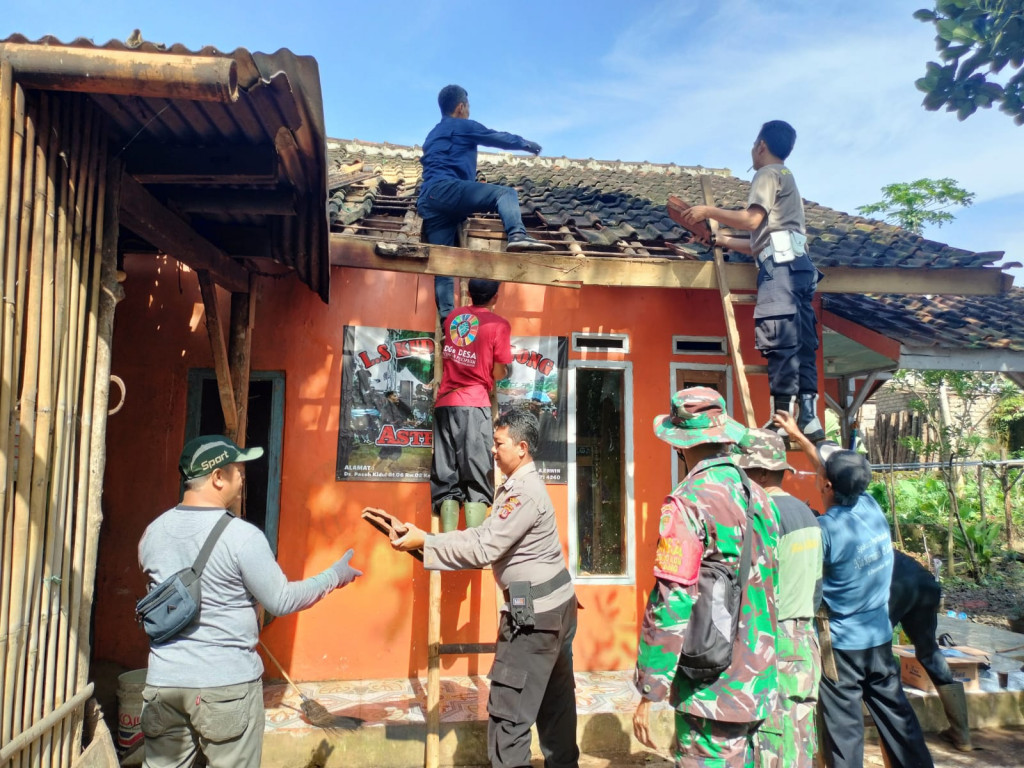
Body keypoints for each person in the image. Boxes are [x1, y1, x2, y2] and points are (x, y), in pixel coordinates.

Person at [138, 435, 363, 768]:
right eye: (237, 469)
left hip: (163, 684)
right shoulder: (242, 537)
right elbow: (282, 600)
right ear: (217, 477)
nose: (243, 477)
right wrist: (333, 576)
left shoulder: (152, 533)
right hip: (225, 689)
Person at [393, 407, 579, 768]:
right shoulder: (518, 488)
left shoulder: (523, 492)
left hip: (534, 619)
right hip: (555, 610)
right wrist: (424, 543)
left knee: (508, 720)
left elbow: (483, 548)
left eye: (499, 443)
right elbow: (484, 535)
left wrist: (425, 543)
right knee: (556, 711)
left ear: (521, 448)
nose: (492, 451)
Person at [775, 412, 934, 768]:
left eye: (821, 476)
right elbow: (835, 473)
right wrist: (799, 437)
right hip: (878, 638)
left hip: (841, 649)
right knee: (897, 718)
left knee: (843, 731)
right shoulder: (870, 506)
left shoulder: (824, 530)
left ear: (827, 487)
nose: (818, 476)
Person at [633, 388, 779, 767]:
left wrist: (651, 687)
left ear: (680, 446)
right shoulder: (759, 497)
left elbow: (673, 598)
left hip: (711, 691)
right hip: (758, 682)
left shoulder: (688, 500)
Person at [680, 121, 824, 442]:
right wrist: (721, 241)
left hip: (780, 271)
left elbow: (752, 220)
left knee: (780, 338)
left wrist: (708, 210)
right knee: (802, 342)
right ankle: (810, 419)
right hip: (799, 266)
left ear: (761, 145)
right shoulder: (789, 180)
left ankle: (782, 421)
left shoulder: (767, 174)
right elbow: (759, 240)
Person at [419, 84, 554, 320]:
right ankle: (517, 236)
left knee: (443, 265)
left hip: (429, 200)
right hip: (447, 190)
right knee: (505, 194)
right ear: (461, 107)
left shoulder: (432, 134)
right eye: (468, 107)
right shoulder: (462, 126)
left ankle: (446, 319)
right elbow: (496, 138)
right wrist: (526, 144)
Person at [735, 428, 822, 768]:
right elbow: (816, 583)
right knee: (799, 741)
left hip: (773, 644)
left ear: (757, 472)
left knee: (769, 745)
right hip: (804, 642)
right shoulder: (807, 514)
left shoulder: (763, 515)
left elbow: (752, 587)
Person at [431, 278, 512, 532]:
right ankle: (474, 546)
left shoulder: (454, 317)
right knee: (477, 475)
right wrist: (501, 371)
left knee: (446, 475)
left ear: (469, 292)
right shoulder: (499, 325)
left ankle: (447, 542)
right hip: (474, 405)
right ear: (496, 297)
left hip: (445, 404)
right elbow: (499, 372)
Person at [890, 550, 972, 751]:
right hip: (925, 585)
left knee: (877, 647)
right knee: (928, 651)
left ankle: (898, 732)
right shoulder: (875, 537)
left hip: (897, 587)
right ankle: (961, 733)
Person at [374, 390, 414, 473]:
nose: (397, 397)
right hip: (390, 432)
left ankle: (382, 467)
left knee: (393, 451)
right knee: (389, 451)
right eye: (394, 396)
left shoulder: (395, 407)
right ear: (389, 397)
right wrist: (404, 422)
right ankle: (376, 467)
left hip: (394, 432)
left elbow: (398, 420)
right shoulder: (387, 408)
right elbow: (389, 420)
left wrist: (407, 422)